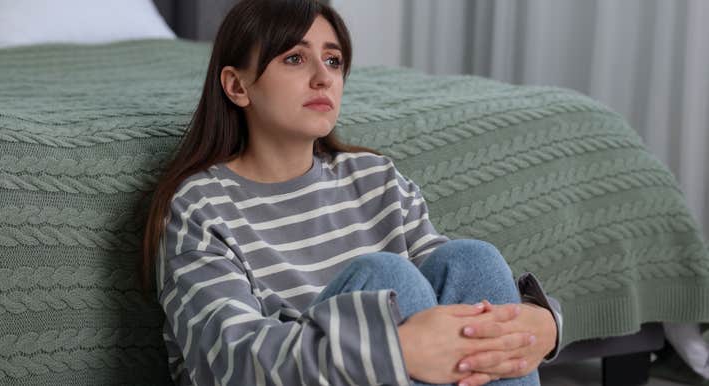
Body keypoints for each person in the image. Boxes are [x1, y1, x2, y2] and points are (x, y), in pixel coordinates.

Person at [140, 0, 563, 385]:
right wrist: (394, 351)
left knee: (473, 260)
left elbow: (461, 293)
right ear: (237, 86)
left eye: (333, 59)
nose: (323, 77)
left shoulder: (375, 177)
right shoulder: (200, 207)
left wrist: (545, 325)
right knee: (386, 278)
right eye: (294, 58)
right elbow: (228, 362)